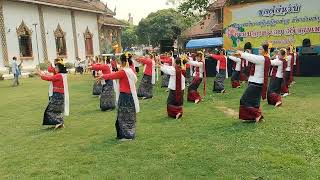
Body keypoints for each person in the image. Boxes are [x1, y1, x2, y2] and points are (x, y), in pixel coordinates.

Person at [97, 54, 139, 141]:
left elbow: (112, 76)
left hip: (124, 96)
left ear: (122, 62)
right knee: (129, 115)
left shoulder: (123, 72)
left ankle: (127, 135)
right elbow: (135, 80)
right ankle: (128, 134)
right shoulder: (130, 70)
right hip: (130, 95)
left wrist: (102, 76)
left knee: (123, 115)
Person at [235, 43, 271, 122]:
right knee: (254, 103)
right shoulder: (264, 58)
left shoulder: (262, 58)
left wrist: (241, 53)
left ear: (265, 51)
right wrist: (241, 55)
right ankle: (253, 117)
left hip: (256, 83)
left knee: (244, 100)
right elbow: (252, 58)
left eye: (261, 49)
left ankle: (257, 115)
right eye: (259, 49)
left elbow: (251, 57)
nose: (259, 50)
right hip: (257, 82)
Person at [37, 60, 69, 129]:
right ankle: (59, 122)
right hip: (58, 95)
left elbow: (49, 78)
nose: (55, 69)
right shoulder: (62, 75)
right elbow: (50, 73)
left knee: (50, 110)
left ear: (60, 69)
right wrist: (43, 72)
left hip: (58, 95)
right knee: (56, 110)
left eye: (56, 68)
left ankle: (59, 122)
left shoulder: (59, 75)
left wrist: (40, 74)